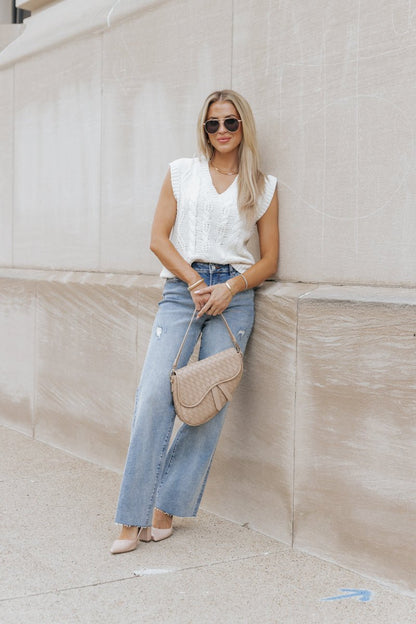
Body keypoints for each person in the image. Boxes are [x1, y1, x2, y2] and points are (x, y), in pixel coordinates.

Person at [111, 89, 278, 554]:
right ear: (203, 129)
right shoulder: (182, 173)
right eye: (212, 124)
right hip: (183, 293)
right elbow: (158, 238)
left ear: (244, 126)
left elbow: (269, 261)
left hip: (236, 298)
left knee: (209, 403)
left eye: (230, 123)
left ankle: (166, 508)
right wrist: (193, 281)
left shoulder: (262, 185)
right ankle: (131, 517)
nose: (222, 131)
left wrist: (231, 288)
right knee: (152, 399)